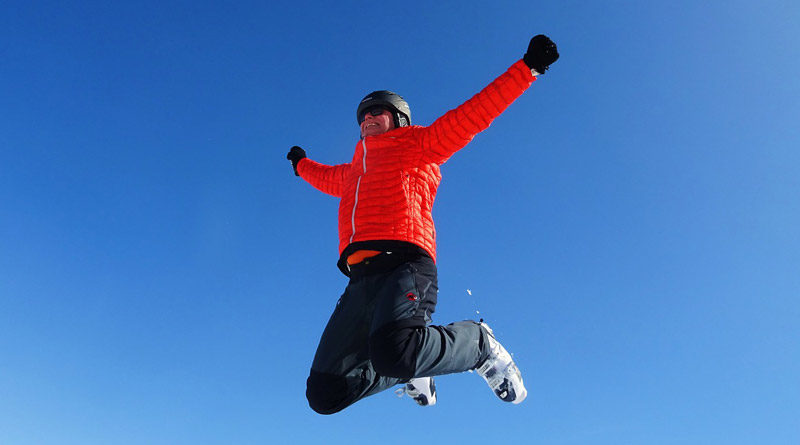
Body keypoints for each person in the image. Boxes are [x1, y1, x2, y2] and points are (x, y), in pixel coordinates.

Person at [286, 34, 559, 415]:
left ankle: (478, 344)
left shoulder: (418, 144)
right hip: (360, 278)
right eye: (363, 115)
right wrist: (301, 165)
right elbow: (323, 177)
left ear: (397, 118)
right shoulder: (352, 173)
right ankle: (413, 370)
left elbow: (472, 115)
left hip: (405, 263)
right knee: (325, 393)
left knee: (396, 349)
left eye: (376, 112)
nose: (367, 118)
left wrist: (526, 69)